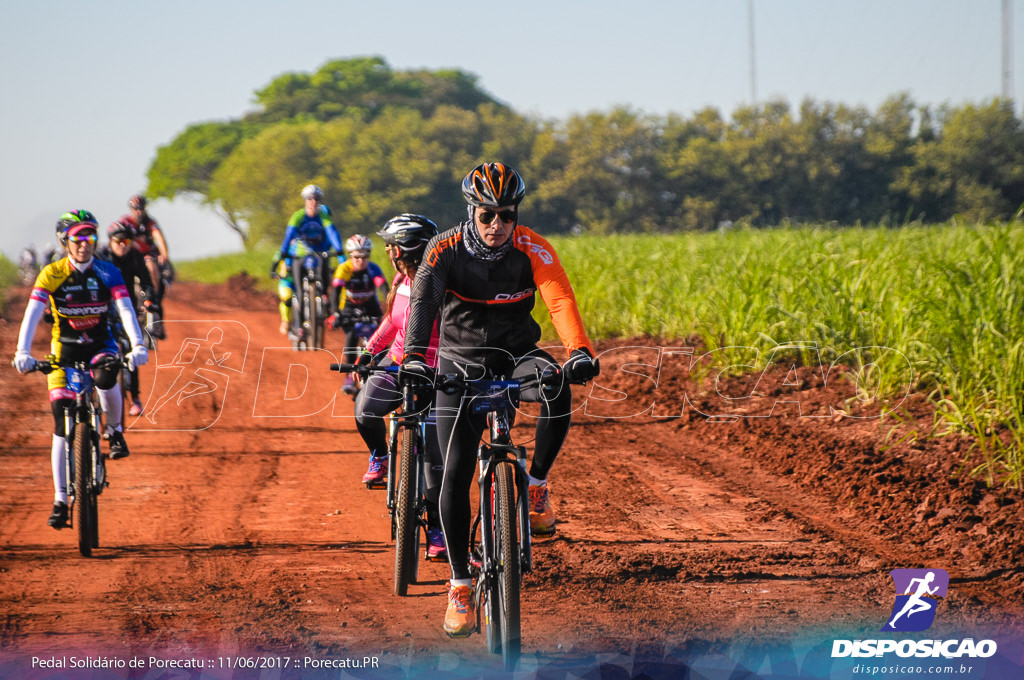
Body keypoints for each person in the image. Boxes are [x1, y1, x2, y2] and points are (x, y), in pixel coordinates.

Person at [400, 162, 600, 637]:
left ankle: (535, 484)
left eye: (506, 215)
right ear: (472, 211)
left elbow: (559, 300)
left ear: (516, 214)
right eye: (487, 215)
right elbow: (425, 304)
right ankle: (461, 584)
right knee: (454, 470)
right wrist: (412, 358)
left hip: (516, 355)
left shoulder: (533, 247)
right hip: (459, 363)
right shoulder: (443, 248)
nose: (497, 226)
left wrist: (579, 350)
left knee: (554, 385)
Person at [12, 211, 149, 529]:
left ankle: (114, 431)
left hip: (101, 345)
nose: (84, 245)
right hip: (64, 351)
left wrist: (137, 344)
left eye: (89, 238)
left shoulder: (107, 271)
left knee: (106, 378)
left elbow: (126, 309)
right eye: (78, 239)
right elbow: (33, 313)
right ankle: (61, 500)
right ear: (65, 242)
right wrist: (23, 352)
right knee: (61, 420)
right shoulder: (52, 273)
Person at [351, 214, 446, 559]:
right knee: (365, 409)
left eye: (391, 245)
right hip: (397, 364)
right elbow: (393, 321)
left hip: (438, 370)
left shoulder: (444, 281)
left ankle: (437, 530)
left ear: (403, 249)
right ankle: (381, 455)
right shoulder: (400, 280)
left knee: (435, 459)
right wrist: (367, 352)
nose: (388, 251)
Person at [96, 218, 158, 417]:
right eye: (118, 241)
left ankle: (134, 398)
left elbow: (147, 282)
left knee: (132, 349)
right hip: (103, 310)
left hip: (127, 308)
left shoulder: (135, 256)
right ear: (110, 241)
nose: (123, 245)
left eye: (127, 241)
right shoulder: (101, 257)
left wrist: (148, 299)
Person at [271, 184, 344, 337]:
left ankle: (324, 296)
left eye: (316, 199)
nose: (313, 202)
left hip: (319, 253)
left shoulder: (323, 216)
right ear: (305, 200)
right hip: (300, 254)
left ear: (320, 201)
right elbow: (288, 236)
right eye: (310, 199)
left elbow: (332, 233)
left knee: (324, 268)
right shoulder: (298, 216)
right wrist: (284, 253)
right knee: (298, 289)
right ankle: (300, 326)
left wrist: (339, 252)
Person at [328, 234, 388, 394]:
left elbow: (385, 289)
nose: (360, 261)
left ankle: (385, 374)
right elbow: (335, 292)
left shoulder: (373, 268)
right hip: (349, 306)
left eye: (364, 256)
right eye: (356, 257)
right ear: (350, 256)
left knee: (382, 337)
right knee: (351, 336)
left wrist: (393, 306)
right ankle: (349, 375)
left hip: (370, 305)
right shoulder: (344, 268)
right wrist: (335, 313)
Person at [123, 194, 171, 338]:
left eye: (141, 209)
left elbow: (159, 238)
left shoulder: (150, 223)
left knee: (151, 266)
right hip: (131, 260)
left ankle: (153, 297)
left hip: (148, 257)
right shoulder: (126, 222)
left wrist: (164, 254)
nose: (139, 212)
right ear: (131, 209)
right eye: (136, 209)